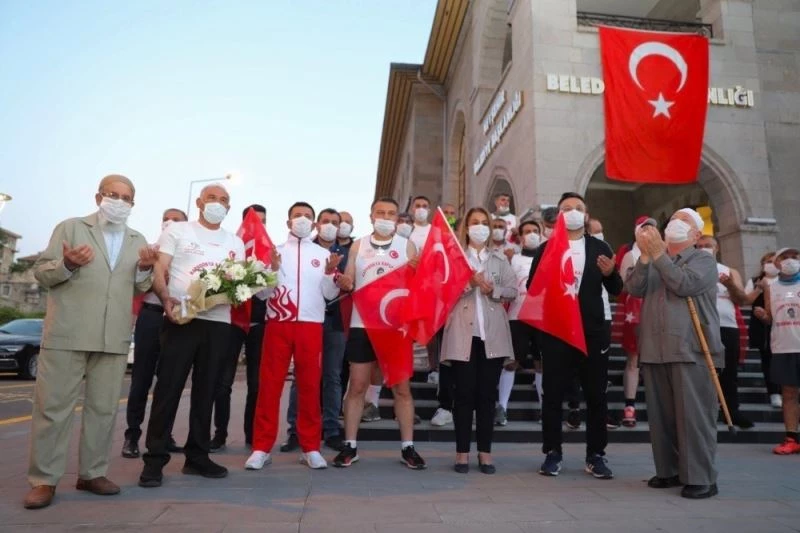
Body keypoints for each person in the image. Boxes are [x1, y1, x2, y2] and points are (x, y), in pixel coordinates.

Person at [25, 174, 156, 510]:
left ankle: (92, 473)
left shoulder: (137, 239)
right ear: (99, 197)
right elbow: (42, 272)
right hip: (68, 332)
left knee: (103, 409)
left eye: (126, 197)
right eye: (113, 194)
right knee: (53, 409)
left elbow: (142, 287)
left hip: (113, 336)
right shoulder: (71, 228)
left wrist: (145, 269)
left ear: (133, 204)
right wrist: (67, 263)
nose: (119, 201)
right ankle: (44, 480)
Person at [138, 184, 245, 488]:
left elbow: (240, 281)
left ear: (229, 208)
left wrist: (239, 291)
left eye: (223, 200)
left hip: (218, 322)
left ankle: (197, 456)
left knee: (207, 391)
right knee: (168, 388)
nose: (217, 204)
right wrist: (165, 300)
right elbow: (160, 269)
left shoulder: (235, 242)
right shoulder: (178, 230)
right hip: (181, 318)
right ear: (199, 202)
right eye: (211, 198)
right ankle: (154, 460)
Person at [626, 207, 722, 499]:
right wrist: (645, 255)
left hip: (691, 348)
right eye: (674, 219)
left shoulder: (703, 260)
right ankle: (669, 470)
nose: (675, 223)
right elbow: (634, 287)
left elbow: (685, 284)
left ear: (696, 234)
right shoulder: (655, 259)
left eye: (684, 220)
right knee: (661, 417)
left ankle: (701, 476)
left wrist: (658, 254)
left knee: (694, 417)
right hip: (655, 348)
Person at [245, 202, 348, 471]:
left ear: (314, 224)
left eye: (307, 216)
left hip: (311, 326)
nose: (302, 219)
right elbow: (262, 294)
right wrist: (272, 269)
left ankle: (310, 447)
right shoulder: (274, 252)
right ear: (288, 222)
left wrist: (330, 273)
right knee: (269, 386)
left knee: (310, 387)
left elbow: (329, 294)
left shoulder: (323, 255)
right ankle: (261, 447)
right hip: (278, 324)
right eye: (297, 215)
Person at [527, 192, 623, 480]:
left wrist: (611, 273)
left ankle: (596, 455)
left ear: (586, 214)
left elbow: (617, 289)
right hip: (556, 331)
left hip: (593, 331)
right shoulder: (546, 248)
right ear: (558, 215)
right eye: (566, 208)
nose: (572, 212)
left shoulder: (600, 247)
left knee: (596, 395)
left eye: (578, 208)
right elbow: (533, 288)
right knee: (553, 394)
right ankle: (552, 453)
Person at [331, 197, 426, 469]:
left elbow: (417, 286)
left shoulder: (407, 246)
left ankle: (408, 447)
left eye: (391, 213)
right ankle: (350, 445)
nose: (385, 217)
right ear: (371, 216)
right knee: (357, 386)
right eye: (380, 212)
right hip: (363, 324)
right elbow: (350, 279)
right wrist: (345, 281)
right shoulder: (359, 245)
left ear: (398, 218)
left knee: (401, 388)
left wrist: (418, 273)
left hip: (395, 327)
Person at [442, 207, 516, 474]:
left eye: (485, 222)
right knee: (463, 395)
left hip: (492, 336)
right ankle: (462, 453)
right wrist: (469, 284)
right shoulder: (456, 258)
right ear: (466, 227)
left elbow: (513, 290)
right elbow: (443, 290)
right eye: (475, 222)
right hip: (463, 334)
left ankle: (485, 453)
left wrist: (493, 289)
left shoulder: (499, 258)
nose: (481, 227)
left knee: (487, 396)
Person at [281, 208, 350, 453]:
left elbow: (353, 281)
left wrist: (347, 281)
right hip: (306, 321)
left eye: (335, 222)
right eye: (325, 221)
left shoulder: (348, 253)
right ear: (317, 225)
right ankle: (295, 431)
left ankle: (331, 430)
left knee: (332, 376)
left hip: (335, 322)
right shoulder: (303, 249)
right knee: (301, 377)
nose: (330, 225)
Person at [123, 208, 188, 459]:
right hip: (151, 316)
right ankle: (132, 435)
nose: (170, 223)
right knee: (141, 378)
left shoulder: (189, 254)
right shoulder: (149, 251)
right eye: (166, 219)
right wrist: (150, 271)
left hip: (178, 319)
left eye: (176, 220)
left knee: (170, 381)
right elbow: (134, 283)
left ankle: (163, 435)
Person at [209, 204, 268, 452]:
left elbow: (272, 290)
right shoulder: (231, 247)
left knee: (256, 384)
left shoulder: (269, 251)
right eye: (253, 220)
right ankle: (219, 434)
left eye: (262, 220)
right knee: (223, 383)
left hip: (259, 325)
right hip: (231, 323)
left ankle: (252, 435)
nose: (257, 225)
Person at [696, 235, 753, 429]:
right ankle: (704, 411)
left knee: (729, 370)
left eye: (708, 245)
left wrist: (730, 285)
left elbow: (742, 299)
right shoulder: (691, 269)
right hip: (702, 325)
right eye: (699, 246)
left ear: (716, 248)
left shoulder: (729, 271)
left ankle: (732, 410)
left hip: (727, 325)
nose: (704, 248)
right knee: (702, 370)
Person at [753, 247, 800, 455]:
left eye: (794, 257)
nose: (790, 261)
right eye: (785, 257)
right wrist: (763, 316)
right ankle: (792, 438)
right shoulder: (771, 287)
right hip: (783, 346)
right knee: (789, 393)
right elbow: (770, 316)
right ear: (777, 262)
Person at [615, 216, 657, 427]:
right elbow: (622, 285)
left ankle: (660, 406)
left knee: (657, 360)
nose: (648, 232)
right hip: (636, 309)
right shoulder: (630, 255)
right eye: (644, 228)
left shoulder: (664, 253)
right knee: (633, 359)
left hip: (659, 309)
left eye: (652, 228)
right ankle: (629, 405)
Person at [501, 219, 544, 426]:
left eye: (535, 231)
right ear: (520, 236)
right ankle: (502, 408)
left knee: (541, 364)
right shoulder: (513, 259)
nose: (532, 234)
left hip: (541, 318)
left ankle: (545, 409)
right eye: (527, 231)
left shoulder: (547, 259)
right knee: (511, 363)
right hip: (516, 317)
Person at [587, 218, 621, 430]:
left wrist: (610, 273)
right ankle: (574, 409)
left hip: (603, 316)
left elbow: (616, 287)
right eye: (595, 231)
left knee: (599, 371)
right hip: (577, 317)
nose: (600, 235)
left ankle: (602, 413)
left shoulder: (605, 250)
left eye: (601, 231)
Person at [744, 251, 782, 408]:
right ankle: (774, 392)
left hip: (783, 324)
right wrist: (759, 289)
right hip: (762, 326)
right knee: (768, 359)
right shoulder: (755, 281)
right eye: (767, 262)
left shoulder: (786, 280)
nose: (770, 264)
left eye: (773, 261)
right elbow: (745, 301)